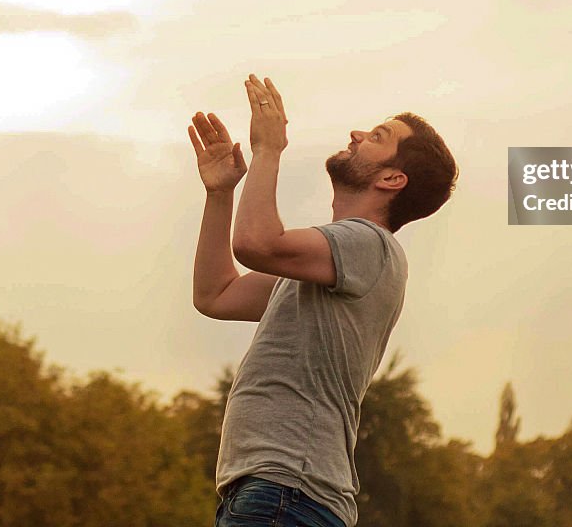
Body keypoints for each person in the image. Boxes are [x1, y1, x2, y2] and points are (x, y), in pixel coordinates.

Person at [189, 75, 457, 527]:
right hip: (277, 493)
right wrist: (220, 193)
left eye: (377, 137)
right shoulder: (326, 265)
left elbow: (256, 243)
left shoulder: (368, 244)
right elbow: (216, 294)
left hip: (286, 490)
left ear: (393, 178)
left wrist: (268, 150)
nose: (356, 135)